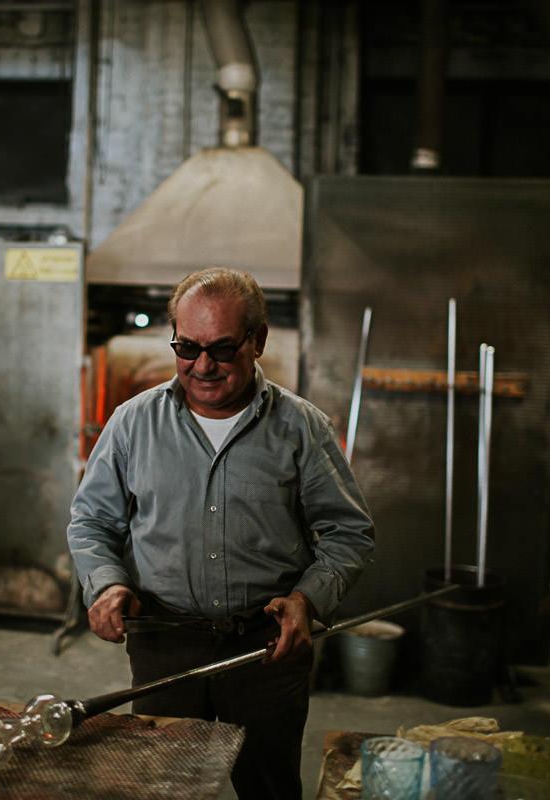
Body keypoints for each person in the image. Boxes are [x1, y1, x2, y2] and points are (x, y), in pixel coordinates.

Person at [67, 267, 374, 799]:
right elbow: (92, 519)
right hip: (165, 642)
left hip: (265, 647)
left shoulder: (301, 428)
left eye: (222, 349)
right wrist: (107, 583)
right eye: (187, 348)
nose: (203, 366)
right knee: (161, 788)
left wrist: (308, 600)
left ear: (258, 341)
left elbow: (349, 531)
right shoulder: (133, 423)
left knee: (268, 788)